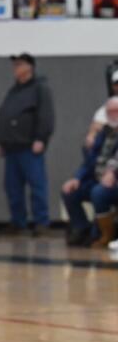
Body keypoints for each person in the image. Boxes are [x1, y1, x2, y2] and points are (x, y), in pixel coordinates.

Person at [0, 53, 55, 236]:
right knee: (12, 188)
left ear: (29, 67)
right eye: (14, 65)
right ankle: (18, 222)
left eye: (19, 64)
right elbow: (4, 115)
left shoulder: (39, 88)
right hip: (11, 147)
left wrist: (41, 139)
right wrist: (1, 140)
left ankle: (41, 222)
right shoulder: (13, 91)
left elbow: (46, 116)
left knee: (37, 186)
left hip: (29, 146)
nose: (15, 68)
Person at [63, 97, 118, 248]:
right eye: (110, 112)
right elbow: (89, 162)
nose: (113, 115)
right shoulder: (103, 134)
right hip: (98, 179)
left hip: (113, 182)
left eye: (116, 111)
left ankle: (107, 234)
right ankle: (81, 229)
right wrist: (77, 178)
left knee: (98, 192)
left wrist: (114, 173)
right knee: (70, 191)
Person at [84, 68, 118, 150]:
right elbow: (97, 123)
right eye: (117, 84)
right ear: (113, 86)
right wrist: (91, 135)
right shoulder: (110, 105)